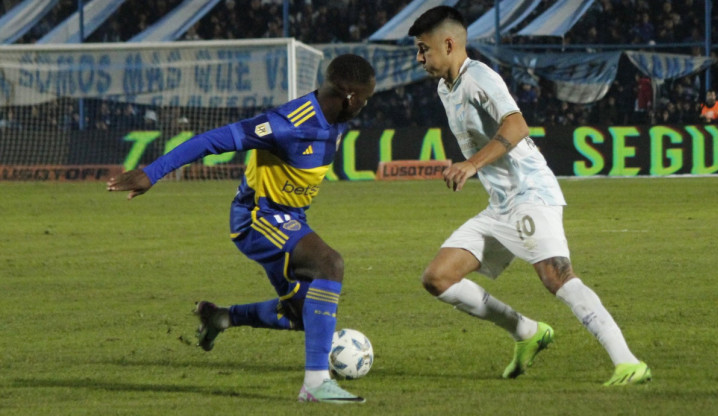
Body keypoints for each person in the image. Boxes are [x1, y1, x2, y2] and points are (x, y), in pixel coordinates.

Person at [107, 54, 376, 404]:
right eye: (366, 99)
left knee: (302, 316)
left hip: (290, 219)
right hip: (257, 219)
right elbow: (212, 140)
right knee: (330, 264)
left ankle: (220, 318)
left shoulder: (335, 120)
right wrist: (152, 173)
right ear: (350, 95)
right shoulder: (288, 123)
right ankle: (315, 385)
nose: (365, 106)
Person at [408, 6, 651, 386]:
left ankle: (628, 362)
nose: (419, 58)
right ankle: (526, 332)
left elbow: (517, 124)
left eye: (423, 49)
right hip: (501, 203)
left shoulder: (480, 78)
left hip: (530, 193)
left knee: (556, 275)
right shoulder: (445, 88)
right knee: (437, 278)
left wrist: (471, 165)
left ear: (449, 44)